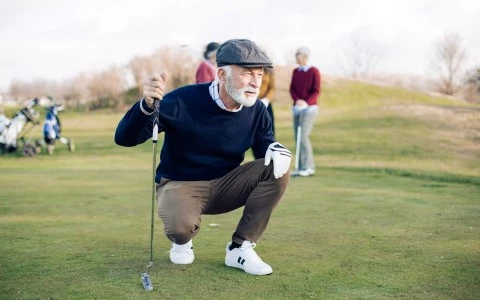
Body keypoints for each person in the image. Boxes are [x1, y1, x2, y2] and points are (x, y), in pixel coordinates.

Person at [115, 39, 291, 276]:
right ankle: (182, 240)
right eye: (247, 74)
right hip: (181, 184)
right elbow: (125, 138)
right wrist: (146, 107)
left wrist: (276, 149)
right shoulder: (181, 100)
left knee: (277, 166)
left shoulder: (257, 110)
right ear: (221, 74)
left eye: (259, 75)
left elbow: (264, 153)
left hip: (226, 185)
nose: (255, 82)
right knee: (180, 228)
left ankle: (240, 248)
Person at [289, 46, 321, 177]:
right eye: (296, 54)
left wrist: (305, 102)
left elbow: (316, 90)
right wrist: (298, 101)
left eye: (299, 55)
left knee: (303, 136)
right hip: (297, 108)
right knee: (298, 136)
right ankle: (301, 167)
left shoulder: (314, 71)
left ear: (305, 56)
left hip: (310, 108)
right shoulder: (296, 71)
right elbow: (292, 89)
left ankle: (309, 167)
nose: (296, 57)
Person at [258, 66, 276, 136]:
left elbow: (272, 88)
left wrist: (266, 99)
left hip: (266, 104)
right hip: (252, 103)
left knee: (270, 129)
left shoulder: (269, 71)